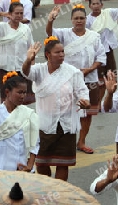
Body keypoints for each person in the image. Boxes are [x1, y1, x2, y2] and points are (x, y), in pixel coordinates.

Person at [22, 37, 90, 181]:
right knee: (41, 163)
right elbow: (26, 73)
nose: (61, 55)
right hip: (45, 124)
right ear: (48, 54)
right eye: (57, 52)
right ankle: (48, 186)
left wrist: (86, 102)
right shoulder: (39, 70)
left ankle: (59, 193)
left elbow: (82, 91)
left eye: (63, 52)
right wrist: (28, 60)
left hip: (66, 125)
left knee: (62, 164)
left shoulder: (72, 72)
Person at [47, 4, 106, 154]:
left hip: (89, 79)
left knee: (87, 113)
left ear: (86, 19)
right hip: (67, 79)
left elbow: (101, 56)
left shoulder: (94, 37)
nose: (79, 21)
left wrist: (89, 70)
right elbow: (50, 35)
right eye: (76, 18)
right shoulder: (64, 34)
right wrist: (50, 20)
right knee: (65, 111)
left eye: (81, 18)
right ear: (71, 20)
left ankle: (81, 141)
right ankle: (64, 141)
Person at [0, 1, 35, 104]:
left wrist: (32, 66)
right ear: (10, 14)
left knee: (22, 100)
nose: (19, 16)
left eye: (21, 13)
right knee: (7, 100)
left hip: (22, 69)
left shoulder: (26, 29)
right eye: (16, 13)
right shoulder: (2, 27)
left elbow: (31, 48)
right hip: (6, 68)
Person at [86, 0, 118, 111]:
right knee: (99, 80)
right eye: (93, 4)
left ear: (101, 5)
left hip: (108, 50)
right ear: (89, 6)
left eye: (97, 3)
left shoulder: (108, 13)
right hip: (97, 53)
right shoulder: (88, 20)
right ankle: (97, 102)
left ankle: (106, 99)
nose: (95, 6)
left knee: (111, 76)